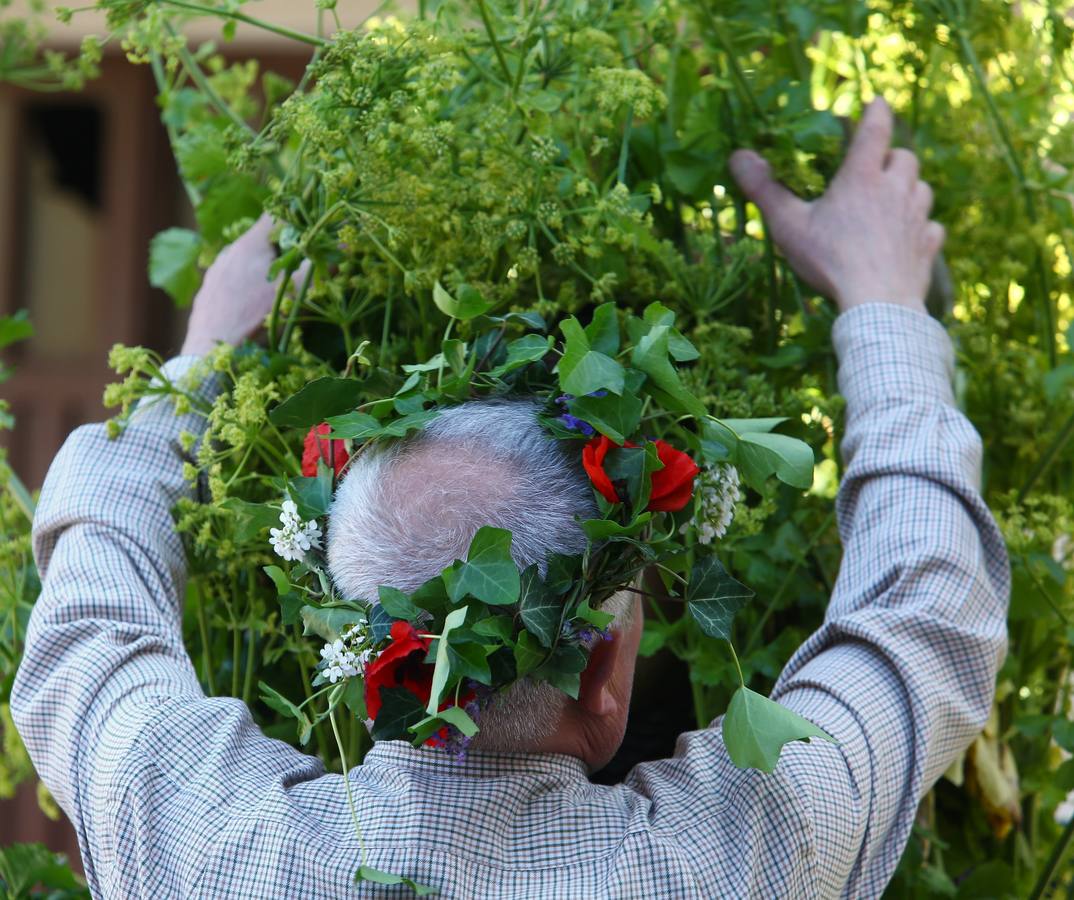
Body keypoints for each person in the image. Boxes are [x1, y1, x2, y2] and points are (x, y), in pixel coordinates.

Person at [11, 98, 1009, 898]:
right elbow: (926, 614)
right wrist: (882, 299)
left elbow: (92, 614)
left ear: (357, 659)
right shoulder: (727, 860)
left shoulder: (211, 852)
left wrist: (202, 362)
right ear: (604, 674)